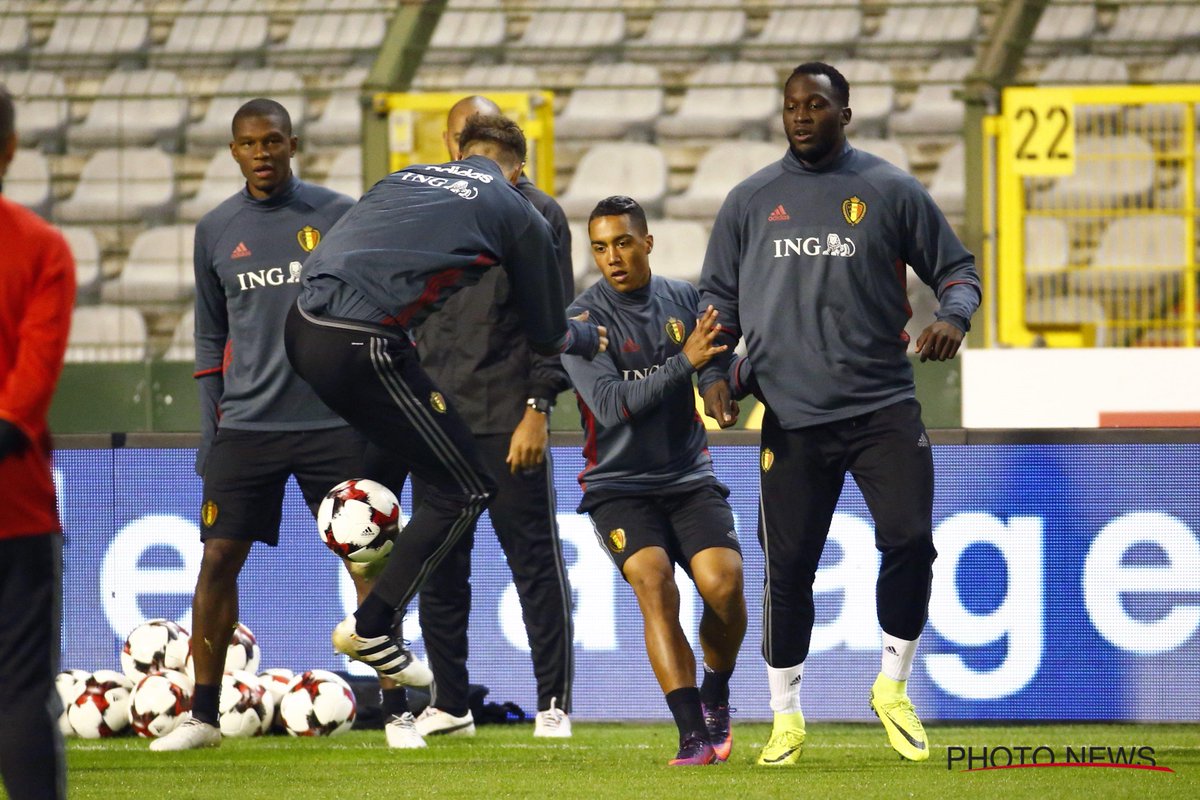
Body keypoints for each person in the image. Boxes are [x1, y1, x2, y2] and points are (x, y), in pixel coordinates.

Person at [697, 62, 981, 766]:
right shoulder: (750, 200)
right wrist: (710, 376)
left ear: (844, 114)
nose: (800, 115)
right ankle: (787, 717)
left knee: (911, 541)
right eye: (792, 105)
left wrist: (953, 316)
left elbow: (959, 270)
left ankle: (892, 686)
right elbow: (716, 307)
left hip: (883, 404)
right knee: (787, 570)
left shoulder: (888, 190)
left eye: (816, 105)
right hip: (790, 417)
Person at [283, 114, 605, 704]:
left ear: (459, 155)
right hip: (367, 342)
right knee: (465, 488)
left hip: (303, 329)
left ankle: (392, 635)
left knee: (430, 482)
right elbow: (549, 335)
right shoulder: (519, 211)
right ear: (517, 171)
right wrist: (587, 338)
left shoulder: (401, 180)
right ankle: (373, 626)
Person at [151, 99, 428, 752]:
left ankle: (397, 712)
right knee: (217, 560)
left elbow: (374, 308)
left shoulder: (334, 215)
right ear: (234, 152)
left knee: (368, 560)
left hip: (331, 422)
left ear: (293, 144)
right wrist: (210, 430)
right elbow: (209, 336)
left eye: (273, 141)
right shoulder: (216, 229)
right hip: (246, 428)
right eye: (249, 144)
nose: (262, 153)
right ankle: (203, 717)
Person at [408, 95, 575, 740]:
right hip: (440, 420)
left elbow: (551, 325)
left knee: (533, 563)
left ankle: (553, 705)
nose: (457, 152)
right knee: (441, 568)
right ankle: (451, 705)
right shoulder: (429, 210)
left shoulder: (540, 215)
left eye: (467, 143)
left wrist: (538, 408)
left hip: (510, 418)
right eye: (453, 140)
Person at [562, 196, 747, 766]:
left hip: (687, 475)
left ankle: (716, 693)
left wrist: (714, 379)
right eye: (599, 247)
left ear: (647, 242)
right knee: (654, 583)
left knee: (724, 585)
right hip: (617, 484)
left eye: (621, 243)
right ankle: (693, 736)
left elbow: (710, 353)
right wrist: (686, 365)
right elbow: (614, 405)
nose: (611, 258)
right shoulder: (580, 324)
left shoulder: (683, 298)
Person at [0, 83, 75, 800]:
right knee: (22, 694)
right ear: (12, 148)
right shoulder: (42, 248)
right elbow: (29, 386)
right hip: (15, 507)